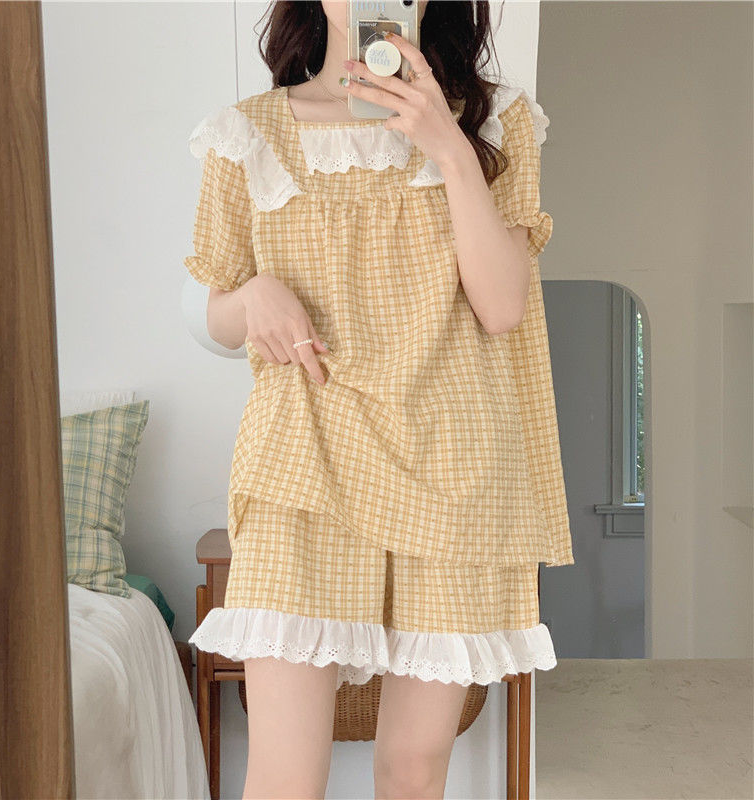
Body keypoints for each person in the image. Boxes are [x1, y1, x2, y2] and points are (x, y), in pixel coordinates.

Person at [184, 1, 575, 797]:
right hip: (302, 461)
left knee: (413, 767)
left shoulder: (494, 123)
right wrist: (251, 297)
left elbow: (503, 307)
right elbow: (215, 307)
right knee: (284, 774)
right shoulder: (249, 131)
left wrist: (448, 146)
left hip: (452, 465)